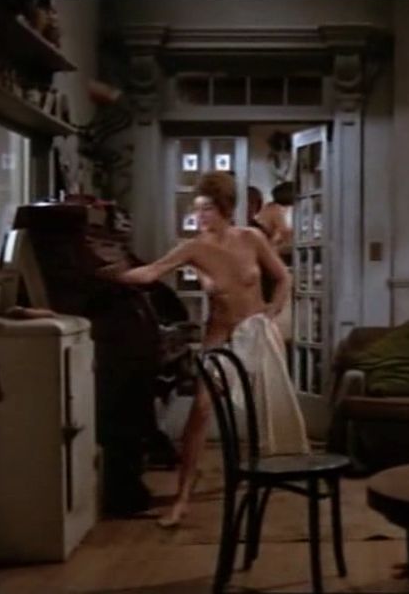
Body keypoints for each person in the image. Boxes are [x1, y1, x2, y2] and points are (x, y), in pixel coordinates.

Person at [98, 171, 309, 527]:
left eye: (207, 208)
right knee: (200, 410)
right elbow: (150, 273)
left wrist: (271, 314)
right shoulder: (193, 248)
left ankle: (267, 477)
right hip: (219, 336)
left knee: (267, 408)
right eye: (197, 209)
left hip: (255, 332)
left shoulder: (251, 238)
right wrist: (105, 274)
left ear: (225, 207)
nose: (200, 216)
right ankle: (182, 498)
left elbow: (284, 277)